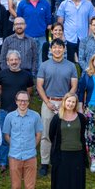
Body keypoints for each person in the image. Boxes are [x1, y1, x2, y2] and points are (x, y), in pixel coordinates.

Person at [36, 40, 78, 176]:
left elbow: (74, 86)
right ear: (51, 49)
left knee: (65, 133)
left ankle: (61, 160)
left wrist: (67, 100)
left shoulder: (71, 66)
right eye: (54, 47)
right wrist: (47, 102)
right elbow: (39, 86)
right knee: (46, 134)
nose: (57, 50)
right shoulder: (44, 65)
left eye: (60, 47)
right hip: (48, 102)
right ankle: (44, 163)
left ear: (64, 49)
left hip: (65, 103)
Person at [47, 92, 87, 189]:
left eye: (73, 102)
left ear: (76, 104)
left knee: (74, 180)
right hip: (61, 154)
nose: (71, 104)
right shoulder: (57, 118)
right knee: (61, 181)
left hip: (77, 154)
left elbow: (82, 134)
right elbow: (51, 135)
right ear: (64, 102)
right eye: (68, 101)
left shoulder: (81, 118)